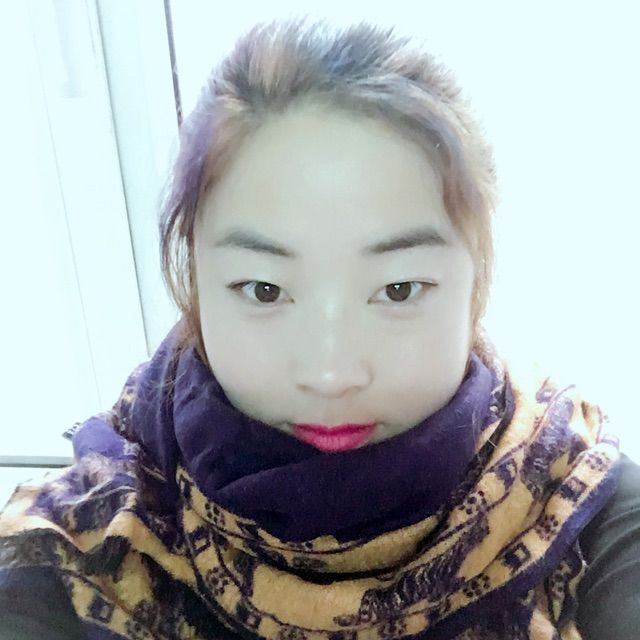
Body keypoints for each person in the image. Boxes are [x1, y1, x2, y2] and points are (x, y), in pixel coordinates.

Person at [0, 17, 638, 640]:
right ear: (196, 278)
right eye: (265, 290)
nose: (331, 374)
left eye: (397, 290)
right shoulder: (81, 543)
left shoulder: (578, 500)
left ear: (475, 277)